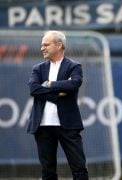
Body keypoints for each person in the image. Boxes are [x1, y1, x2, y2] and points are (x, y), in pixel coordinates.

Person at [27, 30, 89, 180]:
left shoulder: (74, 66)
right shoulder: (38, 68)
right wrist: (57, 94)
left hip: (68, 125)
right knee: (47, 172)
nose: (42, 48)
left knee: (79, 169)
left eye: (46, 45)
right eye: (42, 45)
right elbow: (34, 89)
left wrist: (49, 84)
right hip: (42, 126)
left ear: (59, 45)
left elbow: (74, 84)